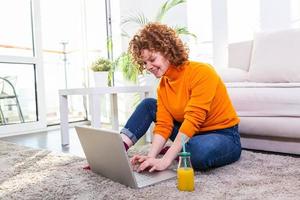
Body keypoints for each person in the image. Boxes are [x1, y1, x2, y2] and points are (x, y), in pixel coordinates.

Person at [120, 22, 241, 173]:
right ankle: (117, 149)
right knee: (148, 105)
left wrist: (165, 160)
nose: (148, 66)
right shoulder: (163, 85)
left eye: (152, 59)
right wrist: (151, 157)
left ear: (168, 51)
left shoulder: (202, 73)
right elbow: (164, 125)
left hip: (223, 134)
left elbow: (193, 120)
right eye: (145, 63)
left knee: (197, 154)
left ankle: (178, 150)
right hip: (191, 134)